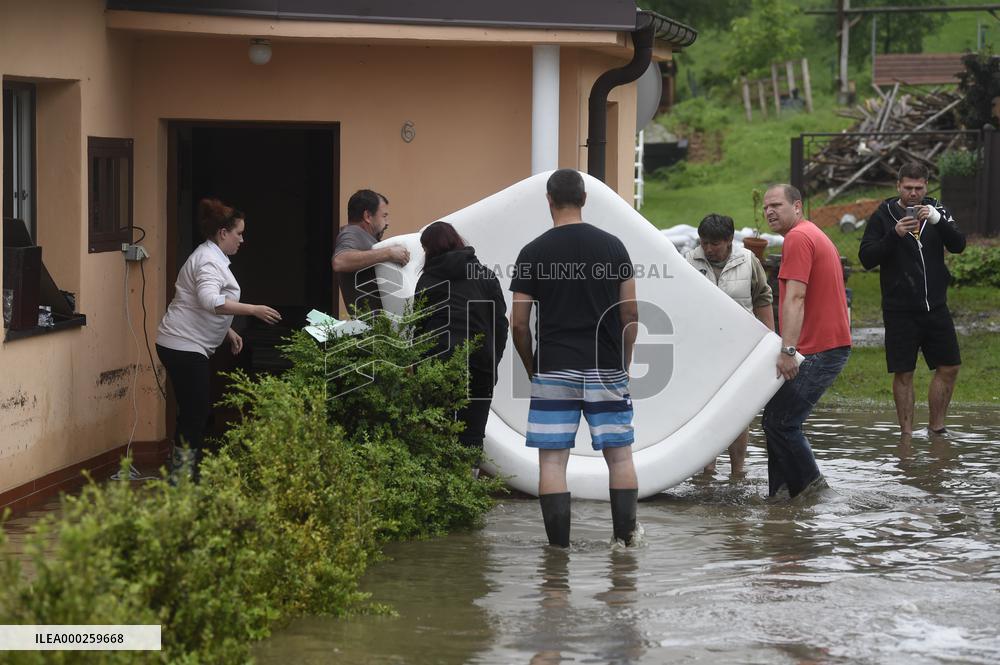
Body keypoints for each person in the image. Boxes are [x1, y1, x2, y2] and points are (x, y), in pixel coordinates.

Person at [510, 169, 640, 547]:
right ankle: (625, 545)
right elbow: (630, 315)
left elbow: (518, 323)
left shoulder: (532, 252)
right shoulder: (614, 247)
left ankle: (558, 555)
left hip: (554, 368)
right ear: (585, 198)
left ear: (549, 200)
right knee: (620, 458)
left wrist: (533, 367)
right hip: (606, 368)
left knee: (552, 463)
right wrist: (624, 364)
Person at [156, 197, 282, 479]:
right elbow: (210, 300)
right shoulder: (208, 261)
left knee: (192, 410)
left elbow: (195, 301)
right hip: (183, 345)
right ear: (223, 233)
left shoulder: (212, 257)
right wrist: (253, 309)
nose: (242, 239)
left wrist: (228, 330)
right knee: (196, 413)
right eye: (238, 233)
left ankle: (182, 474)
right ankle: (183, 477)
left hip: (184, 343)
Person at [858, 163, 966, 435]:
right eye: (908, 188)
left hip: (936, 306)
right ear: (898, 187)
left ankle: (937, 429)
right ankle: (905, 434)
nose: (913, 194)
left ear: (926, 187)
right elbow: (867, 258)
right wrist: (894, 235)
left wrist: (937, 220)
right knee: (904, 372)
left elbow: (959, 245)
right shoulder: (884, 214)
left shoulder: (937, 210)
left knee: (950, 366)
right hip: (899, 310)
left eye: (919, 188)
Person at [761, 184, 851, 499]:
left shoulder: (799, 238)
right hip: (822, 345)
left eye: (776, 205)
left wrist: (788, 351)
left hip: (820, 349)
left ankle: (815, 492)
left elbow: (795, 297)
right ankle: (781, 494)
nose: (769, 211)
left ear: (797, 206)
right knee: (775, 419)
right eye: (765, 207)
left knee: (782, 421)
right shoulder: (809, 233)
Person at [684, 213, 775, 476]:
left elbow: (762, 298)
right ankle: (707, 471)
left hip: (740, 351)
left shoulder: (748, 261)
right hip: (702, 351)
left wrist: (770, 341)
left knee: (739, 414)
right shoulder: (690, 261)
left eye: (715, 243)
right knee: (704, 412)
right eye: (704, 243)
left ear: (728, 241)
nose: (709, 249)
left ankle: (737, 472)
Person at [414, 221, 509, 472]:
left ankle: (441, 492)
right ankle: (468, 493)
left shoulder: (427, 280)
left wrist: (419, 367)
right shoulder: (485, 275)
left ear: (429, 250)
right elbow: (500, 324)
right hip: (479, 363)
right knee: (473, 435)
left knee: (438, 429)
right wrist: (492, 359)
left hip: (438, 362)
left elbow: (420, 328)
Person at [332, 189, 410, 316]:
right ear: (367, 216)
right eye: (384, 216)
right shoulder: (351, 233)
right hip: (372, 327)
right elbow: (340, 261)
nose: (387, 222)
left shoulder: (363, 236)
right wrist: (389, 253)